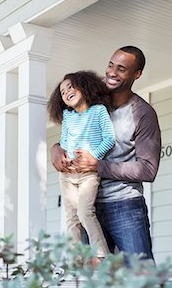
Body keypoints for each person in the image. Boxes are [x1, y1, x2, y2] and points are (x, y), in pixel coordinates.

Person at [51, 46, 161, 262]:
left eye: (121, 69)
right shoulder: (90, 99)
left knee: (141, 276)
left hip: (124, 206)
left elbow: (148, 169)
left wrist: (97, 165)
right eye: (111, 65)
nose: (112, 72)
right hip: (86, 203)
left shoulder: (142, 113)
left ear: (136, 74)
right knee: (89, 277)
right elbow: (73, 136)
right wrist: (55, 148)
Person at [47, 70, 115, 265]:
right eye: (62, 91)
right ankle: (75, 260)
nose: (67, 91)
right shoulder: (68, 117)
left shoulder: (99, 111)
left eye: (70, 86)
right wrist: (65, 157)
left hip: (88, 174)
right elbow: (65, 141)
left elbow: (109, 138)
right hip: (68, 175)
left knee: (85, 212)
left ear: (84, 87)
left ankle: (102, 255)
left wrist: (93, 157)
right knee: (71, 218)